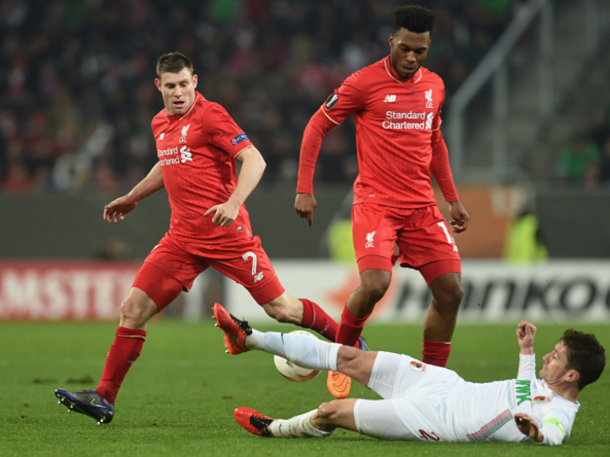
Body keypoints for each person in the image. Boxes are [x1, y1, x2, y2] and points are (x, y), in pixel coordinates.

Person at [53, 52, 351, 425]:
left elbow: (254, 159)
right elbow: (168, 161)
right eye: (171, 86)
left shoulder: (211, 116)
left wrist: (233, 202)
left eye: (184, 85)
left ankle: (351, 343)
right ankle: (104, 397)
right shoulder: (159, 122)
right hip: (181, 239)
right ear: (158, 86)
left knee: (282, 310)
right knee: (133, 309)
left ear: (195, 82)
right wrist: (133, 197)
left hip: (228, 235)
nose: (179, 93)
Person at [294, 5, 469, 398]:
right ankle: (342, 356)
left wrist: (452, 200)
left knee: (451, 293)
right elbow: (316, 125)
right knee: (375, 284)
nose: (411, 57)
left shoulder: (434, 86)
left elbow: (435, 142)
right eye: (404, 48)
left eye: (419, 51)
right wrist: (305, 187)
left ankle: (432, 385)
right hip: (376, 204)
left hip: (422, 207)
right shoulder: (362, 83)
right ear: (391, 41)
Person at [213, 303, 606, 445]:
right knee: (349, 356)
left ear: (571, 376)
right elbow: (525, 392)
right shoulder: (542, 386)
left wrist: (537, 434)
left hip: (433, 420)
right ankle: (248, 337)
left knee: (330, 411)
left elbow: (554, 434)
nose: (547, 359)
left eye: (555, 357)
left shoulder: (561, 415)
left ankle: (276, 429)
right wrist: (526, 352)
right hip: (441, 383)